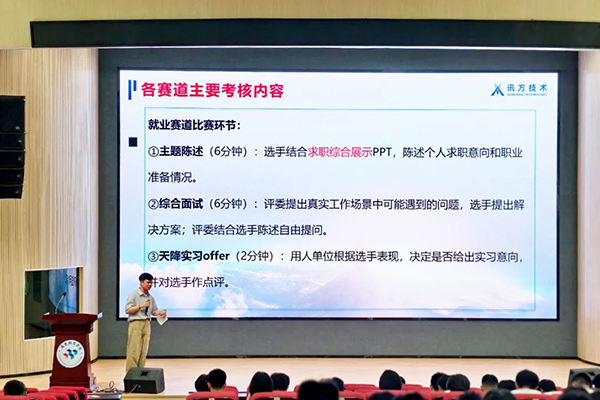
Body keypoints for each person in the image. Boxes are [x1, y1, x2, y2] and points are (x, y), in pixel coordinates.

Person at [125, 272, 167, 373]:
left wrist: (161, 313)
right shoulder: (134, 295)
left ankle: (139, 374)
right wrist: (140, 306)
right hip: (136, 323)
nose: (150, 285)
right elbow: (127, 310)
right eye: (148, 282)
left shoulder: (150, 297)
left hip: (147, 324)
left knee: (143, 351)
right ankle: (131, 375)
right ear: (141, 282)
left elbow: (154, 311)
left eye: (151, 283)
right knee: (134, 351)